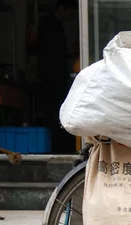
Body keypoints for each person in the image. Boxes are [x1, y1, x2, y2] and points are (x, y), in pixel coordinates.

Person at [38, 0, 78, 154]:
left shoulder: (50, 24)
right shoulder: (51, 25)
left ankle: (57, 146)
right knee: (56, 111)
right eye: (69, 12)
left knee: (56, 110)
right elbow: (55, 53)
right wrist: (69, 53)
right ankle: (58, 147)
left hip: (51, 75)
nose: (69, 16)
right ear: (60, 8)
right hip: (53, 76)